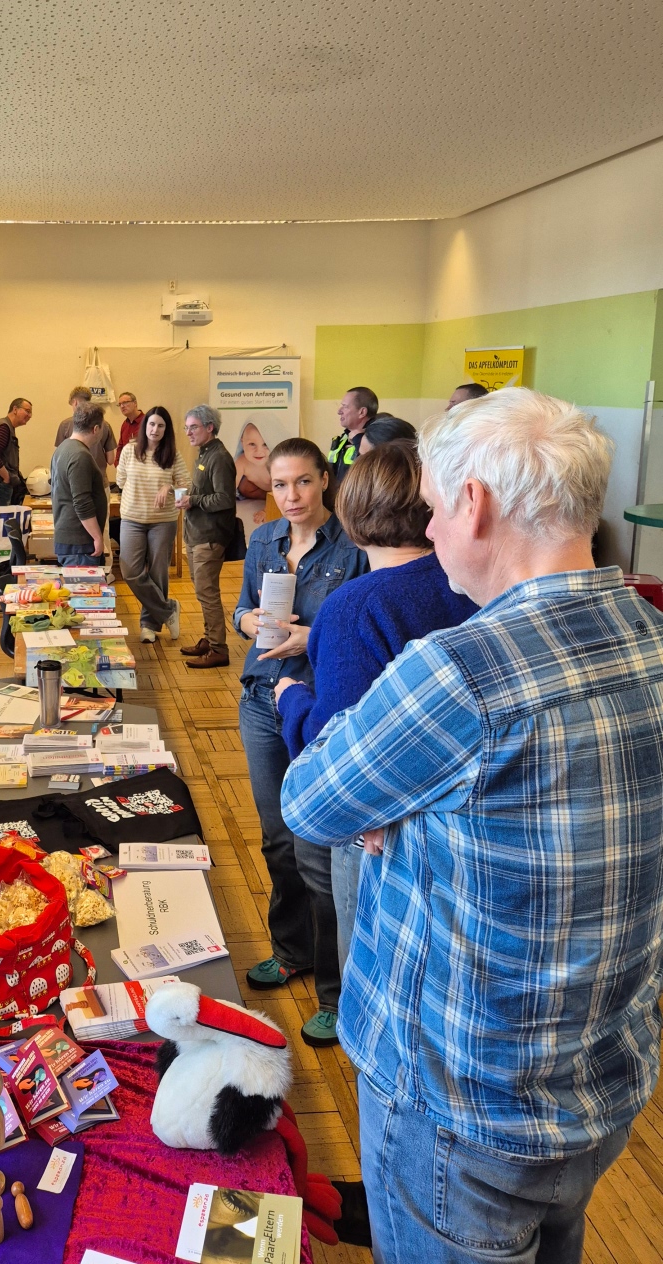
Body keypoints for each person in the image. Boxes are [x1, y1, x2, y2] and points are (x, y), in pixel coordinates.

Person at [281, 389, 663, 1262]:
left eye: (434, 503)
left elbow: (312, 799)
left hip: (460, 1106)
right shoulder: (650, 635)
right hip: (602, 1085)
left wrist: (394, 793)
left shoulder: (457, 674)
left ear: (474, 505)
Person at [276, 441, 476, 1002]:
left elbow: (331, 749)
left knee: (373, 987)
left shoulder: (356, 605)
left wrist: (291, 698)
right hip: (456, 828)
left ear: (351, 509)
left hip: (378, 832)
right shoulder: (471, 582)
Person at [232, 438, 368, 1018]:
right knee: (277, 840)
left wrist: (309, 636)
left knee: (321, 852)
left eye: (304, 482)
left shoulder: (354, 550)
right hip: (262, 700)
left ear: (325, 482)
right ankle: (292, 950)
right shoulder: (263, 539)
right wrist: (249, 620)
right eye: (281, 484)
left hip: (318, 711)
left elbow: (361, 639)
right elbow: (240, 611)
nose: (291, 496)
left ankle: (337, 991)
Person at [116, 405, 189, 642]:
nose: (155, 429)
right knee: (130, 571)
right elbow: (120, 481)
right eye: (151, 424)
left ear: (166, 430)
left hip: (163, 522)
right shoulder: (129, 451)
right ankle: (168, 609)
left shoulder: (173, 455)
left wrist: (170, 488)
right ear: (144, 425)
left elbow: (185, 491)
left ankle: (149, 625)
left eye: (160, 425)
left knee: (158, 574)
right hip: (132, 520)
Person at [178, 405, 237, 668]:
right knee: (203, 592)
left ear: (209, 427)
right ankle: (209, 638)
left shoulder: (220, 457)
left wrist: (194, 499)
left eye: (194, 427)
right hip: (197, 534)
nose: (188, 432)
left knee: (208, 593)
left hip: (210, 537)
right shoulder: (205, 453)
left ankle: (218, 649)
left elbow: (225, 498)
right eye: (186, 427)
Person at [51, 401, 108, 566]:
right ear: (96, 429)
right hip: (79, 544)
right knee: (84, 591)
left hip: (72, 540)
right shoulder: (80, 455)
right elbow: (82, 502)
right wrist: (98, 537)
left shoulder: (62, 449)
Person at [55, 386, 117, 479]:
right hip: (99, 480)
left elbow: (59, 458)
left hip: (73, 481)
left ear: (75, 402)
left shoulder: (65, 425)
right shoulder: (105, 425)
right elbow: (111, 460)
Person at [0, 397, 32, 505]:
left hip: (1, 483)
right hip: (0, 484)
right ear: (15, 409)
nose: (30, 416)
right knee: (1, 520)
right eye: (27, 411)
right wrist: (6, 478)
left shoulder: (8, 427)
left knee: (4, 519)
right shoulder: (3, 427)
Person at [327, 387, 378, 479]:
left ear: (362, 412)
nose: (339, 411)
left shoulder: (376, 442)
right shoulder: (342, 439)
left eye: (345, 406)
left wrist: (359, 440)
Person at [234, 420, 272, 500]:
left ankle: (271, 500)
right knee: (244, 487)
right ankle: (266, 496)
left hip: (280, 489)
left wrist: (266, 511)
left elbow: (282, 488)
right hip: (260, 488)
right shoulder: (242, 461)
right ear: (242, 442)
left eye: (265, 444)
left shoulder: (275, 463)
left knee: (283, 490)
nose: (259, 451)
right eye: (252, 444)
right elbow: (230, 486)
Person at [114, 390, 145, 461]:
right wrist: (118, 464)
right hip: (125, 468)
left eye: (125, 402)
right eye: (120, 404)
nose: (122, 406)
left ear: (135, 403)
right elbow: (120, 447)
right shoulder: (125, 424)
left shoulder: (147, 422)